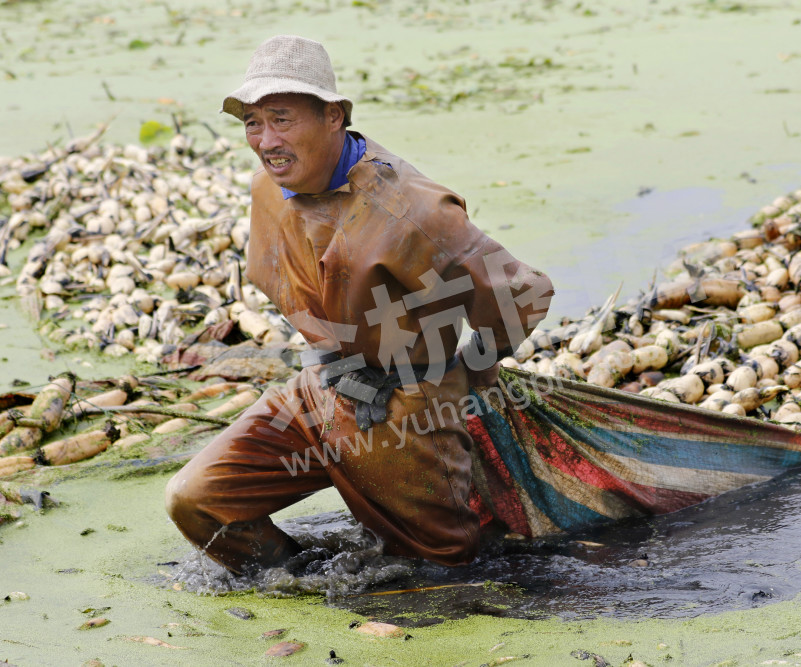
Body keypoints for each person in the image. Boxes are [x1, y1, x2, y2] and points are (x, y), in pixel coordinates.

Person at [164, 35, 553, 574]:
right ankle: (301, 585)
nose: (265, 140)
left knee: (442, 570)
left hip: (406, 402)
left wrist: (472, 369)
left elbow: (521, 291)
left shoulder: (413, 208)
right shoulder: (267, 189)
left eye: (281, 118)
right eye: (252, 122)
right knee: (196, 500)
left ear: (334, 117)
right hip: (323, 384)